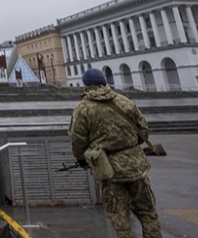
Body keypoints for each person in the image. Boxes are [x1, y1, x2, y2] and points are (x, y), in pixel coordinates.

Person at [68, 68, 163, 238]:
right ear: (104, 81)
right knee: (148, 213)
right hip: (136, 167)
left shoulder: (83, 108)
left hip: (108, 169)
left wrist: (82, 158)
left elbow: (77, 140)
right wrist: (130, 146)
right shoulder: (124, 101)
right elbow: (144, 130)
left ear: (85, 84)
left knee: (120, 218)